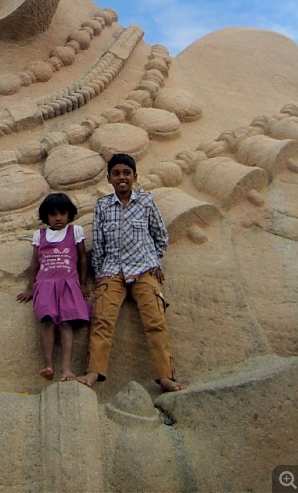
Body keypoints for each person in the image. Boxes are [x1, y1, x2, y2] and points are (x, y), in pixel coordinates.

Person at [78, 153, 186, 393]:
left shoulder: (146, 201)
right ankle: (93, 372)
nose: (122, 177)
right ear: (109, 178)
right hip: (113, 270)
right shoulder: (103, 206)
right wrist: (99, 276)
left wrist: (153, 261)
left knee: (156, 321)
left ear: (135, 176)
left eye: (126, 173)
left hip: (144, 269)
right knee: (102, 320)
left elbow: (160, 236)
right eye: (116, 173)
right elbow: (99, 243)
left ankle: (165, 377)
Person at [17, 192, 90, 381]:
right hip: (46, 285)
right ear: (46, 216)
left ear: (69, 214)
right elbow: (34, 263)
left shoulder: (75, 231)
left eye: (62, 213)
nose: (58, 218)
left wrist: (83, 284)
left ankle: (66, 368)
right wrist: (31, 287)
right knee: (47, 322)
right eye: (53, 214)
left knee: (66, 324)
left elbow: (83, 258)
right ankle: (48, 365)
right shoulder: (40, 235)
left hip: (68, 283)